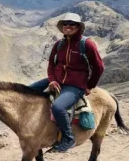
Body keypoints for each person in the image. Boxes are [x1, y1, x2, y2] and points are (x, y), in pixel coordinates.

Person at [29, 12, 105, 152]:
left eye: (72, 24)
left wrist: (89, 86)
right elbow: (51, 64)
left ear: (78, 27)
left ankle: (68, 138)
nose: (68, 27)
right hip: (56, 80)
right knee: (26, 91)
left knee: (58, 107)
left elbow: (99, 67)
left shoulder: (86, 44)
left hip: (74, 86)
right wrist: (52, 80)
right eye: (65, 24)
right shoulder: (59, 44)